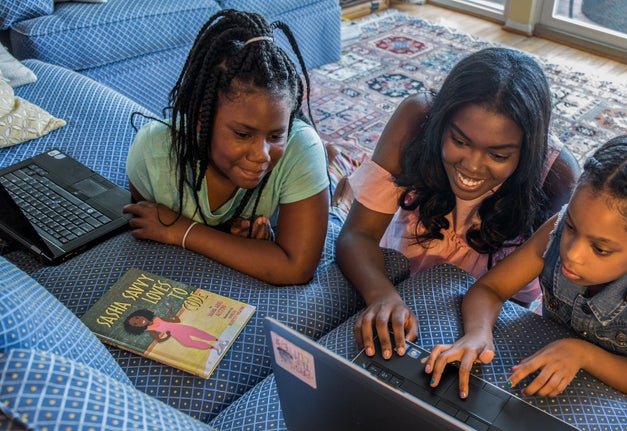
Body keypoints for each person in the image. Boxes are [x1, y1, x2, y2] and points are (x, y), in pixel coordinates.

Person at [335, 47, 581, 360]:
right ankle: (341, 180)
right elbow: (356, 234)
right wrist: (381, 295)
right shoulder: (417, 118)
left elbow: (520, 302)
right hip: (390, 273)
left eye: (499, 155)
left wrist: (476, 333)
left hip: (477, 316)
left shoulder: (557, 177)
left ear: (528, 151)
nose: (473, 167)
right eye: (460, 141)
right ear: (441, 121)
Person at [423, 135, 627, 400]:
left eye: (600, 249)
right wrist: (477, 333)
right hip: (548, 358)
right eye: (571, 227)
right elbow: (490, 289)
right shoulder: (558, 228)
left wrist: (582, 353)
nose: (572, 253)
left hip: (614, 391)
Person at [123, 10, 329, 285]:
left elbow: (297, 267)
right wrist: (247, 246)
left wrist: (184, 232)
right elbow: (146, 225)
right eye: (243, 134)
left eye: (276, 135)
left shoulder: (299, 149)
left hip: (306, 184)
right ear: (200, 118)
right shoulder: (153, 152)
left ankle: (335, 171)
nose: (262, 155)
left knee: (332, 185)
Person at [124, 309, 229, 354]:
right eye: (135, 323)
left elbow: (177, 321)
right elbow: (159, 340)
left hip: (180, 328)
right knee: (188, 343)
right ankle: (215, 347)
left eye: (137, 317)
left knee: (198, 333)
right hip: (176, 334)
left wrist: (172, 313)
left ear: (141, 314)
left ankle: (220, 341)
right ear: (136, 328)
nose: (139, 321)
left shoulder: (159, 319)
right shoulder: (150, 329)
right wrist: (168, 336)